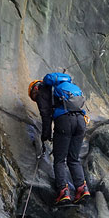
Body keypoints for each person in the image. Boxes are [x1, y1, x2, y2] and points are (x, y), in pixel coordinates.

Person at [28, 73, 90, 206]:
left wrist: (45, 135)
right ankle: (82, 189)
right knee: (74, 159)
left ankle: (63, 192)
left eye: (33, 96)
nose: (35, 99)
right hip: (81, 121)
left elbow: (46, 115)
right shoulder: (65, 89)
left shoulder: (42, 92)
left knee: (60, 159)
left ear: (35, 88)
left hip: (65, 121)